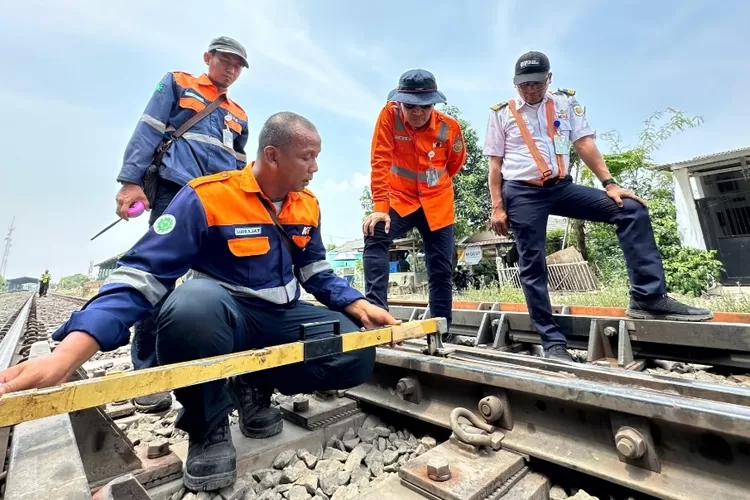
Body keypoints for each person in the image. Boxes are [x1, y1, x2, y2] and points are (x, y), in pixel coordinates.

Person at [0, 112, 398, 492]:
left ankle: (252, 382)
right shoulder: (208, 197)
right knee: (189, 307)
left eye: (317, 157)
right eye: (307, 157)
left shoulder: (306, 204)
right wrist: (64, 358)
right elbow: (142, 276)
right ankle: (208, 427)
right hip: (224, 316)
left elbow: (314, 272)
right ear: (273, 156)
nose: (315, 168)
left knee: (355, 352)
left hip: (278, 316)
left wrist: (355, 304)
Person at [484, 51, 713, 362]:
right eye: (524, 85)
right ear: (515, 84)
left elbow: (584, 142)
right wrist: (498, 206)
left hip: (561, 187)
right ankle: (553, 342)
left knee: (631, 210)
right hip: (523, 192)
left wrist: (610, 184)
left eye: (537, 84)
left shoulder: (564, 103)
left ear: (549, 79)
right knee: (532, 263)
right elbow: (495, 165)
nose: (531, 91)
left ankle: (648, 298)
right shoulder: (501, 113)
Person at [115, 36, 251, 413]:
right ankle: (148, 375)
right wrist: (131, 180)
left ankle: (217, 370)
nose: (231, 69)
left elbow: (240, 164)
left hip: (219, 201)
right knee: (159, 276)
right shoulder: (178, 82)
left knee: (220, 281)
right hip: (176, 189)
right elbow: (148, 128)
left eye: (238, 66)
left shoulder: (238, 112)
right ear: (208, 58)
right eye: (225, 61)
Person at [363, 69, 466, 335]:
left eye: (425, 106)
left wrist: (432, 184)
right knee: (375, 231)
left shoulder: (448, 127)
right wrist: (380, 209)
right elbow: (380, 160)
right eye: (410, 106)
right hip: (401, 199)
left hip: (437, 201)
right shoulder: (389, 116)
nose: (417, 113)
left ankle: (442, 328)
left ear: (434, 104)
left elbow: (454, 164)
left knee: (441, 268)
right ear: (399, 103)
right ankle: (376, 316)